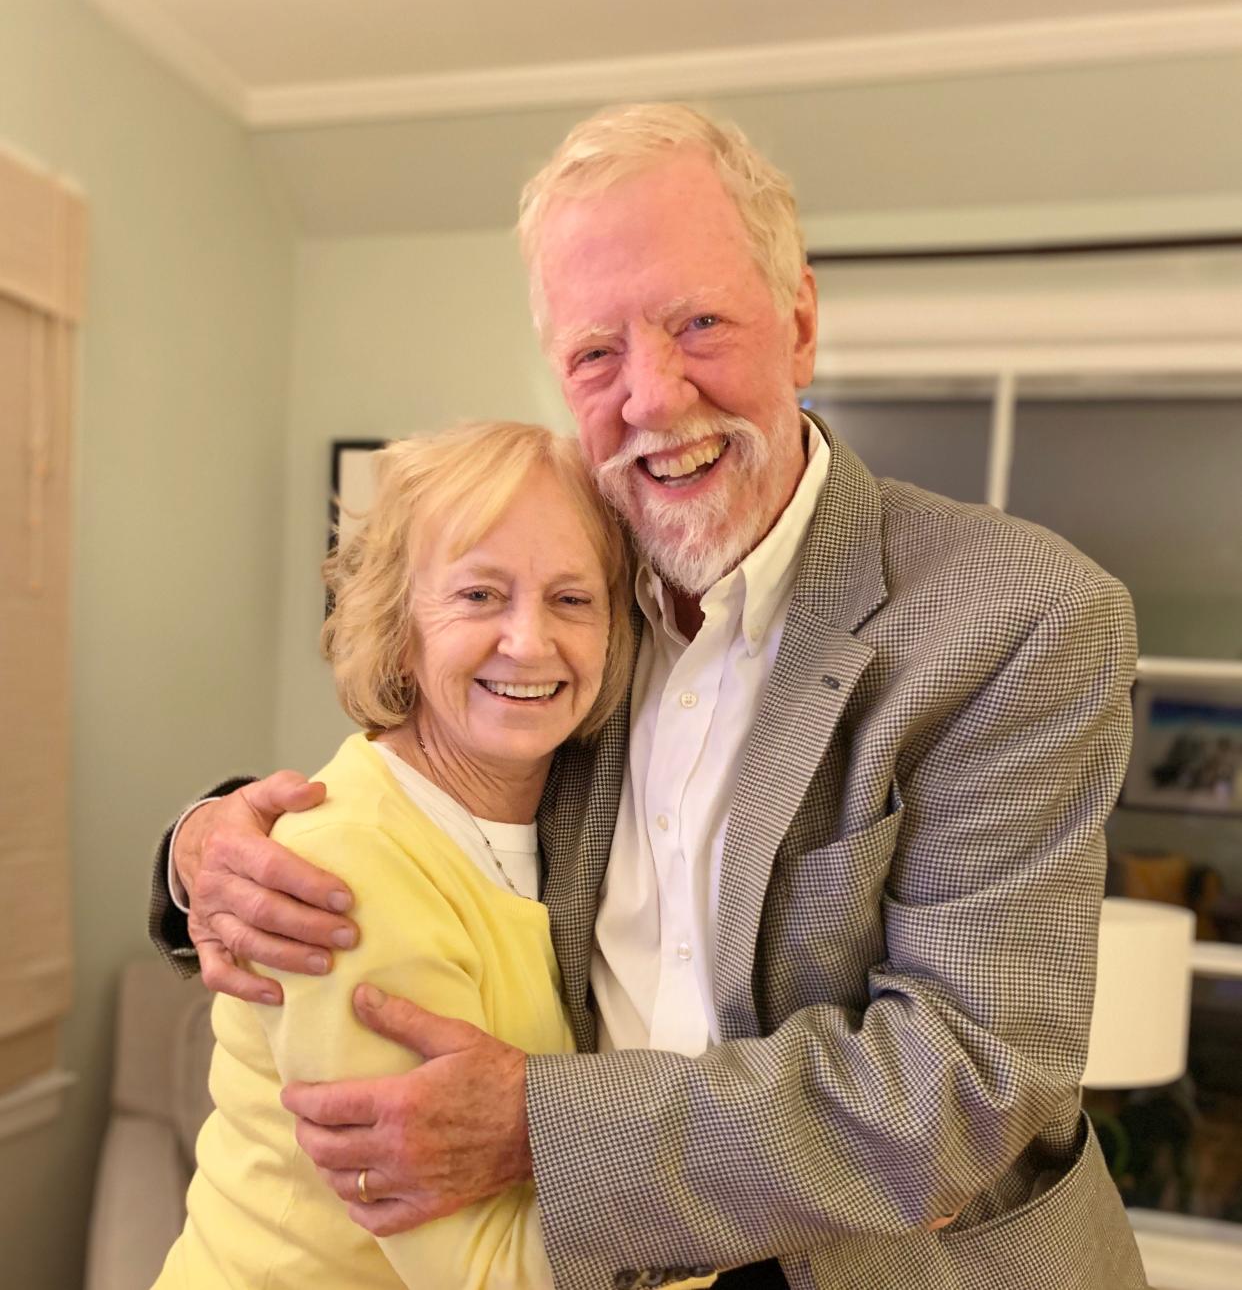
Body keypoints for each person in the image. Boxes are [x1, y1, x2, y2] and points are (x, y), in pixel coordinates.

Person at [151, 105, 1147, 1290]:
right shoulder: (579, 592)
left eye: (699, 323)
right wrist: (199, 844)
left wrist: (537, 1122)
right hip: (600, 1258)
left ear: (801, 322)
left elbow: (967, 1077)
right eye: (594, 354)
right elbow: (414, 792)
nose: (655, 397)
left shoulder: (1018, 615)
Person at [153, 420, 714, 1289]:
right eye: (480, 595)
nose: (529, 641)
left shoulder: (568, 810)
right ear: (400, 623)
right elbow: (484, 1272)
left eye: (572, 599)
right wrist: (789, 1201)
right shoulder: (343, 872)